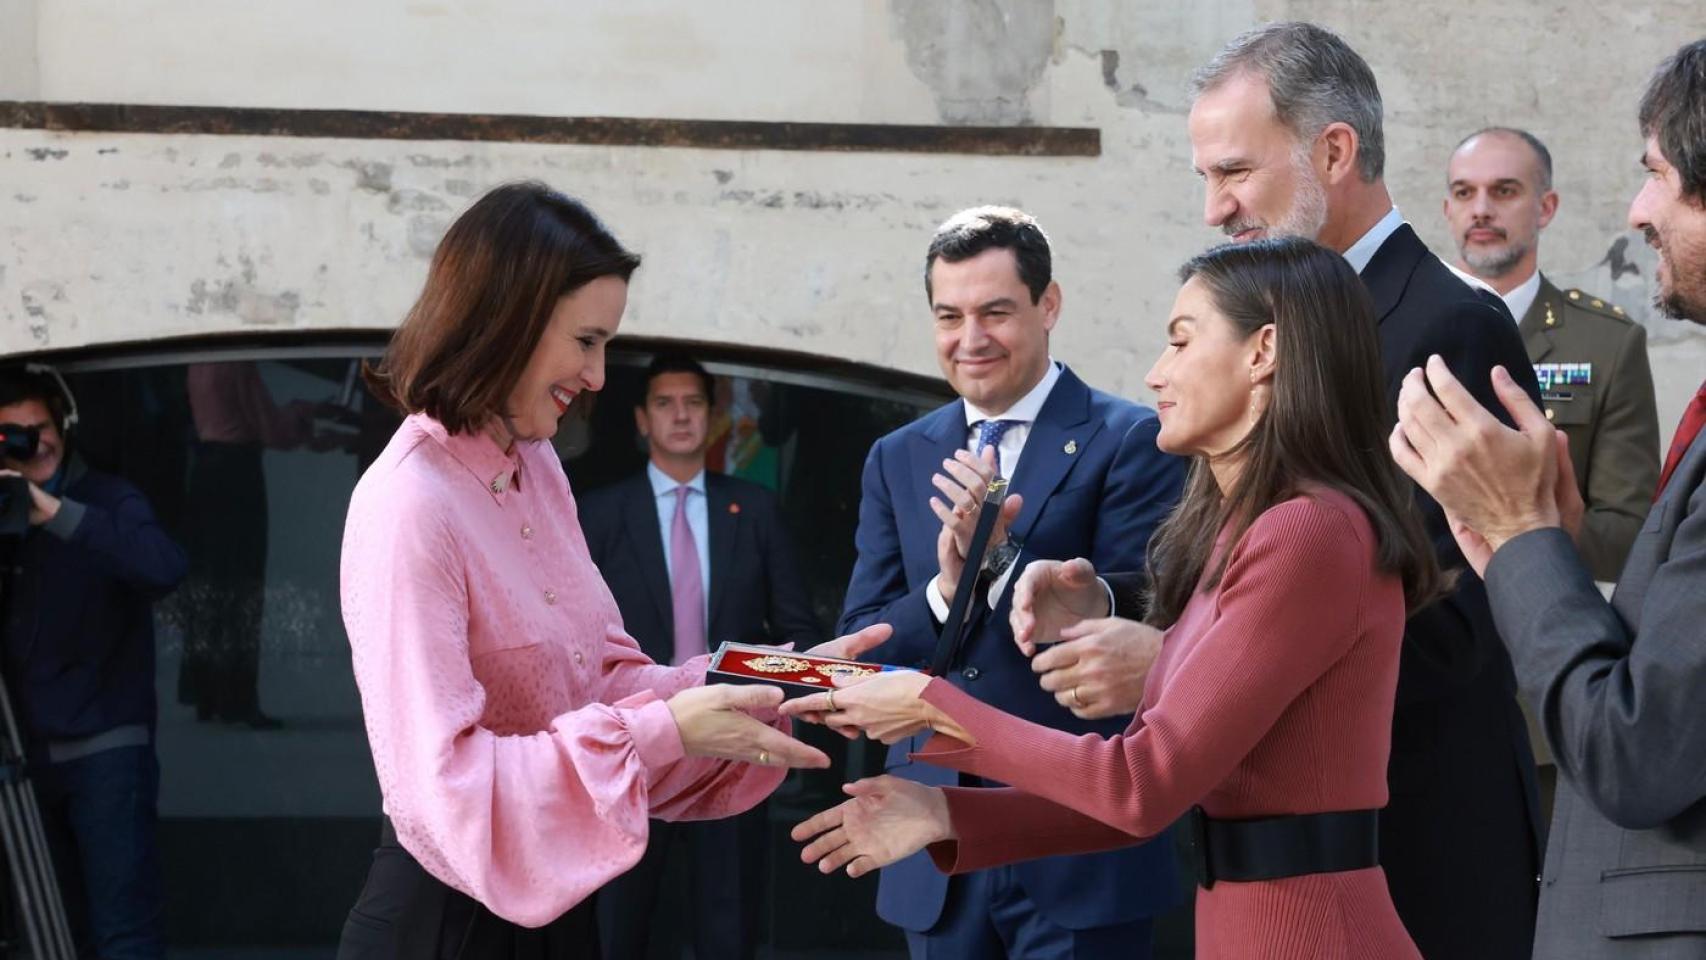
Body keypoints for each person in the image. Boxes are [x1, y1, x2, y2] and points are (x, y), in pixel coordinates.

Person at [1014, 23, 1546, 956]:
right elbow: (1244, 573)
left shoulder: (1450, 328)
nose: (1215, 208)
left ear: (1334, 151)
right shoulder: (1252, 320)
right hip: (1253, 870)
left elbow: (1468, 619)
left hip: (1411, 851)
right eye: (1204, 180)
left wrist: (1193, 670)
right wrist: (1108, 600)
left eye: (1235, 173)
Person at [787, 236, 1445, 959]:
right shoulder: (1254, 529)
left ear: (1263, 353)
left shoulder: (1304, 531)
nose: (1157, 373)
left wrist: (929, 705)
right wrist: (945, 811)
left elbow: (1140, 782)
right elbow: (1155, 794)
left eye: (1180, 342)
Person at [334, 181, 886, 958]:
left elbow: (605, 680)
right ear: (507, 323)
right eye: (586, 341)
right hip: (444, 928)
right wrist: (658, 732)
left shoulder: (537, 468)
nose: (598, 376)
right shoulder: (410, 503)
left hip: (561, 913)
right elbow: (445, 790)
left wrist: (781, 677)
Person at [1391, 39, 1706, 959]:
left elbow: (1638, 750)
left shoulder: (1602, 339)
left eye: (1658, 174)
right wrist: (1540, 553)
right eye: (1463, 192)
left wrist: (1529, 535)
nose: (1638, 210)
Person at [836, 206, 1186, 958]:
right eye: (949, 316)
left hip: (1077, 839)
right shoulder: (896, 455)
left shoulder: (1135, 438)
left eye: (995, 311)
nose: (971, 339)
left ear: (1048, 304)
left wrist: (1001, 564)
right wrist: (944, 588)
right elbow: (865, 638)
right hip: (931, 837)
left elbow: (1152, 614)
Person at [580, 352, 820, 960]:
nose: (680, 416)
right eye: (665, 403)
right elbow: (577, 636)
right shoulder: (602, 513)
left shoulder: (755, 508)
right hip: (633, 741)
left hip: (730, 747)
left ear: (711, 416)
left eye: (692, 403)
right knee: (617, 925)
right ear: (641, 418)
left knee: (727, 923)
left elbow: (794, 626)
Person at [0, 367, 187, 959]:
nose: (36, 443)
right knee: (49, 935)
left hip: (105, 753)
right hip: (23, 759)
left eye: (42, 428)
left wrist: (54, 514)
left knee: (122, 934)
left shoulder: (106, 498)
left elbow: (163, 567)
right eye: (14, 435)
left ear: (63, 425)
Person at [1445, 126, 1660, 580]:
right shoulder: (1404, 325)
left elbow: (1631, 537)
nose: (1481, 210)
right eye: (1465, 193)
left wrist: (1532, 524)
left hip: (1538, 615)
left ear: (1546, 208)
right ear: (1448, 210)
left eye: (1504, 191)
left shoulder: (1607, 344)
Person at [178, 360, 319, 728]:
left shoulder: (197, 364)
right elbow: (269, 427)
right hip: (237, 473)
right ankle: (237, 697)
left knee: (208, 582)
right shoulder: (236, 364)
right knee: (242, 584)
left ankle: (206, 691)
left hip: (205, 469)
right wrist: (299, 417)